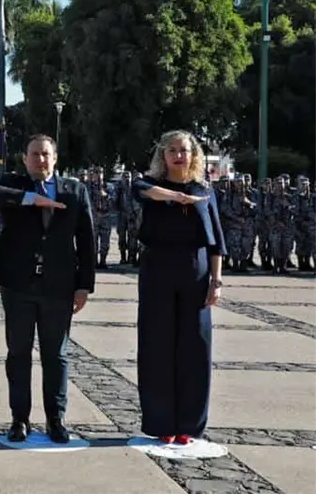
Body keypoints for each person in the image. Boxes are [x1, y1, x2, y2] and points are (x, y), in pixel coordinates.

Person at [0, 134, 95, 444]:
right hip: (19, 284)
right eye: (34, 154)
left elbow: (86, 240)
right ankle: (20, 419)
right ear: (25, 158)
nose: (40, 160)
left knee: (55, 355)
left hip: (58, 285)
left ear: (55, 158)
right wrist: (32, 199)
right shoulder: (14, 184)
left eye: (45, 154)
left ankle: (55, 418)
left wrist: (84, 285)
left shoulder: (75, 190)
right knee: (18, 352)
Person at [132, 130, 225, 445]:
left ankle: (189, 424)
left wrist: (216, 281)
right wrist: (177, 196)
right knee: (157, 345)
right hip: (158, 269)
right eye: (171, 150)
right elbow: (145, 191)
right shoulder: (146, 184)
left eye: (183, 150)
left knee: (195, 347)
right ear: (163, 155)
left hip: (195, 271)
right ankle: (162, 423)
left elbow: (216, 243)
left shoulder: (205, 191)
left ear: (193, 154)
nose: (178, 155)